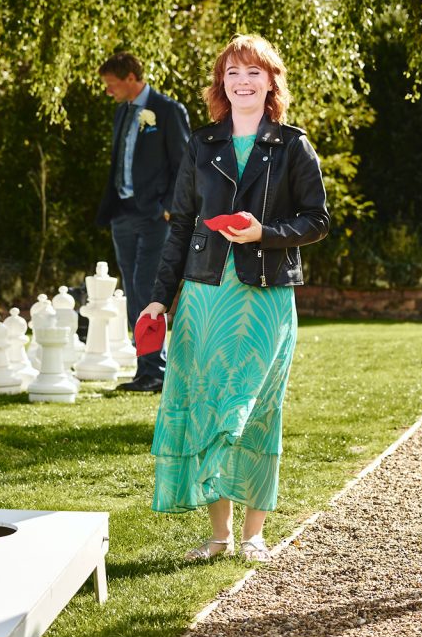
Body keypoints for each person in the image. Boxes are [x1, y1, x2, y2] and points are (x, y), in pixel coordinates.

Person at [141, 35, 329, 562]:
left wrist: (263, 233)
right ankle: (219, 535)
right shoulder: (202, 145)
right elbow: (181, 226)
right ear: (221, 84)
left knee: (254, 408)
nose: (242, 82)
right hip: (204, 295)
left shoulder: (293, 144)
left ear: (271, 82)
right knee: (208, 405)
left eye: (253, 73)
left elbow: (318, 220)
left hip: (265, 297)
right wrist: (160, 299)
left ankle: (253, 534)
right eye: (232, 73)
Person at [96, 52, 191, 392]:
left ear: (132, 78)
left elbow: (184, 163)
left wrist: (168, 208)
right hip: (122, 213)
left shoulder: (168, 111)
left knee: (148, 288)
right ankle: (145, 369)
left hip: (154, 217)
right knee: (134, 289)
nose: (109, 92)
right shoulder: (122, 112)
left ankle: (155, 371)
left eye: (112, 85)